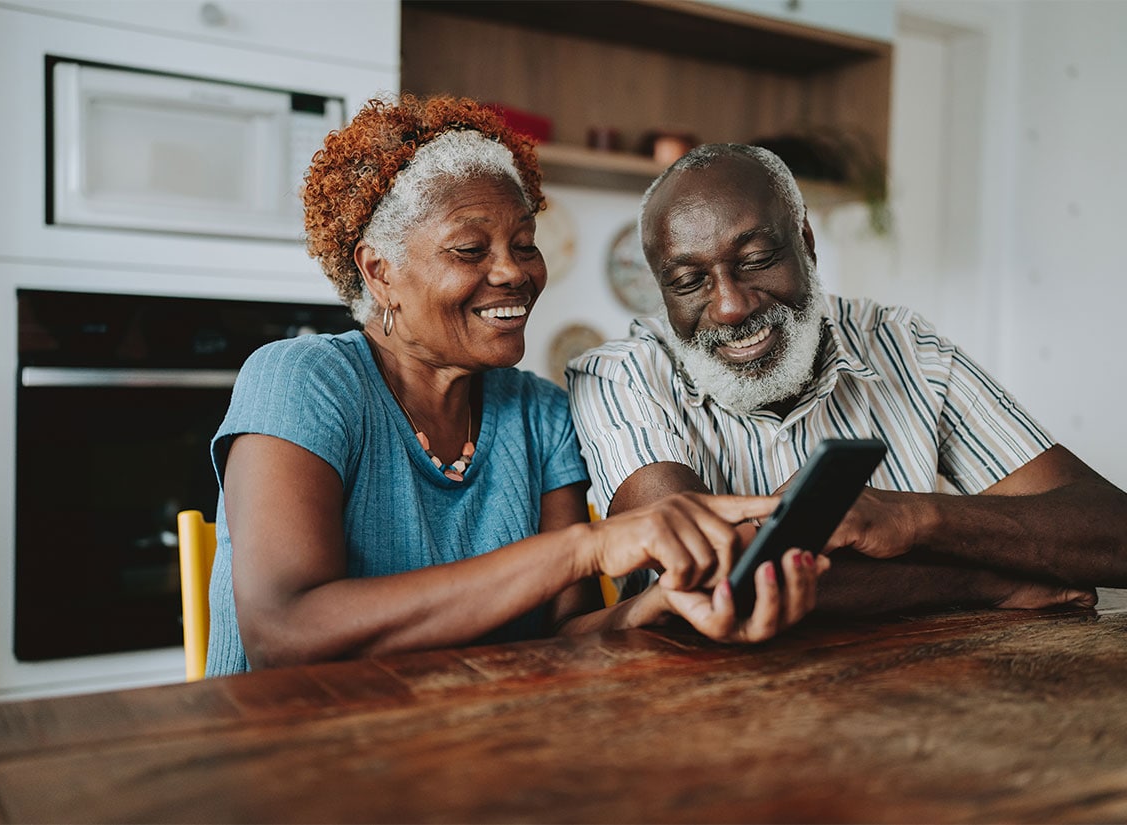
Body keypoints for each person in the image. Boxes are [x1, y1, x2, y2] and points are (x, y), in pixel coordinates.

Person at [205, 97, 823, 677]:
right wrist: (588, 548)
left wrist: (656, 607)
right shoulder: (302, 380)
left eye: (525, 244)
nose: (513, 272)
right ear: (379, 270)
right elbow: (283, 632)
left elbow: (564, 637)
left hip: (474, 751)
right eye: (471, 249)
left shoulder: (540, 414)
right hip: (297, 759)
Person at [569, 143, 1127, 613]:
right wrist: (982, 581)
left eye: (758, 257)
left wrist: (912, 516)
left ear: (806, 244)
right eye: (690, 280)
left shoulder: (908, 348)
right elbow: (708, 585)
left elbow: (1112, 532)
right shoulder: (621, 377)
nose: (731, 305)